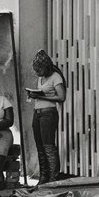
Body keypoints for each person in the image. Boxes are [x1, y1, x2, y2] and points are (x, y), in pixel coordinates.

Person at [27, 50, 67, 184]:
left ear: (46, 67)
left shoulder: (56, 77)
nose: (38, 73)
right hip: (37, 113)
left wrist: (39, 96)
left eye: (40, 70)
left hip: (48, 114)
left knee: (48, 147)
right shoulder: (41, 78)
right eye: (36, 71)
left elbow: (61, 97)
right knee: (40, 147)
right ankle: (43, 178)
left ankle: (53, 179)